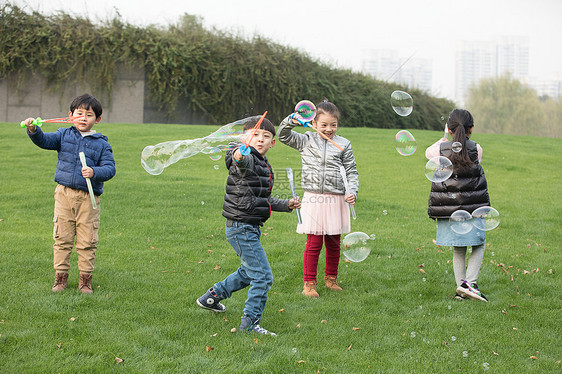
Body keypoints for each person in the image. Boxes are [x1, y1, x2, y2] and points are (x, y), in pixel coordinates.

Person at [196, 115, 301, 336]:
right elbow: (240, 163)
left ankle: (211, 297)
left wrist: (287, 205)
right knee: (263, 276)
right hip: (241, 227)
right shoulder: (248, 158)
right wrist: (239, 155)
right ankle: (250, 324)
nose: (260, 139)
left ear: (273, 142)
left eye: (266, 136)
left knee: (248, 272)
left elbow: (264, 199)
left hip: (247, 226)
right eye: (255, 135)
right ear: (245, 138)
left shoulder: (264, 164)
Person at [22, 93, 116, 294]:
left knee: (87, 241)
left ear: (97, 119)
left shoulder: (102, 144)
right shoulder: (63, 135)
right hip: (63, 195)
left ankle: (85, 281)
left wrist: (94, 172)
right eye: (79, 113)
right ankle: (60, 278)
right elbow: (44, 140)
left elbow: (110, 169)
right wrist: (33, 129)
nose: (83, 118)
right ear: (70, 115)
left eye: (89, 115)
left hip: (88, 199)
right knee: (62, 238)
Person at [278, 100, 359, 298]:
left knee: (333, 243)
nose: (329, 129)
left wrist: (353, 191)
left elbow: (351, 171)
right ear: (314, 124)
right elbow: (282, 135)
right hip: (314, 199)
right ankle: (309, 284)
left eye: (333, 124)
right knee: (313, 244)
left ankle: (331, 279)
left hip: (336, 199)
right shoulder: (306, 139)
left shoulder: (343, 144)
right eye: (324, 125)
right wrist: (291, 121)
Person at [426, 108, 490, 302]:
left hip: (450, 208)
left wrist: (445, 137)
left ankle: (461, 289)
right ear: (471, 129)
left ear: (449, 128)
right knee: (478, 244)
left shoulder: (439, 150)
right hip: (472, 208)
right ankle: (470, 283)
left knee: (458, 247)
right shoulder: (476, 148)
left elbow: (428, 153)